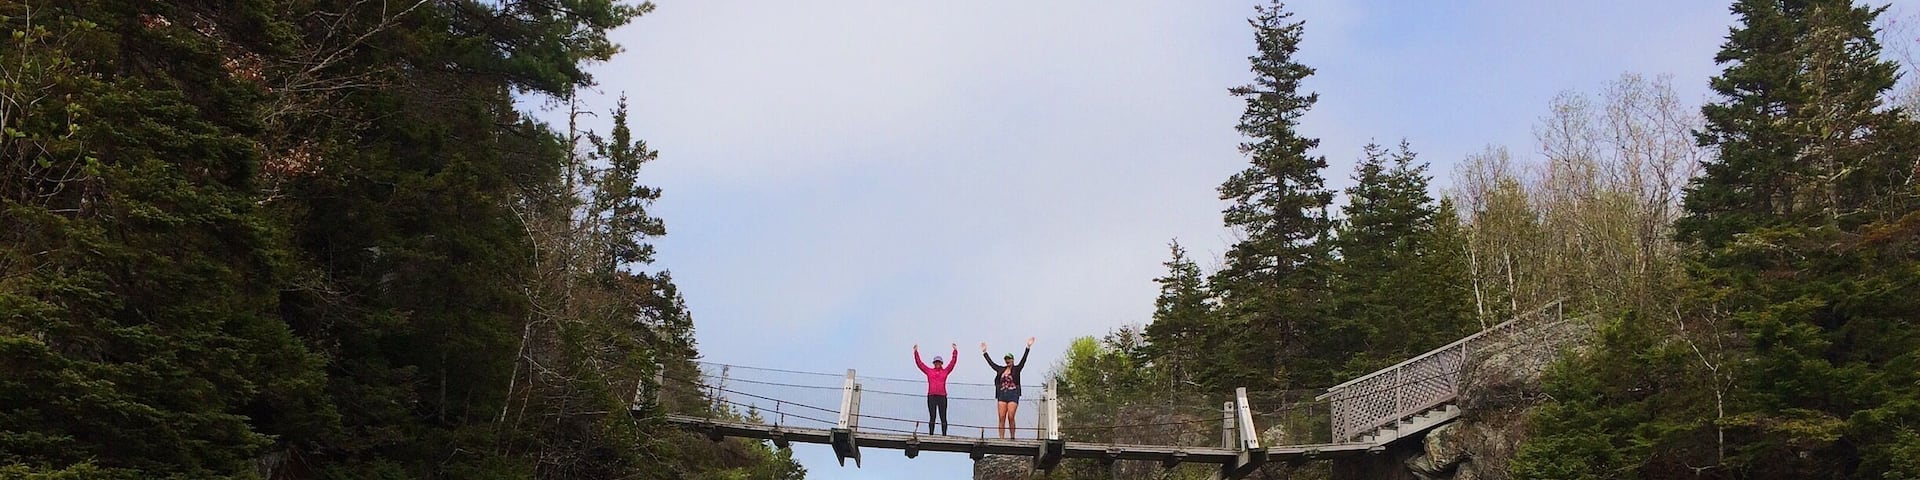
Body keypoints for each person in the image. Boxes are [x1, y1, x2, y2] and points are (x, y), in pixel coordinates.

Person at [981, 337, 1033, 439]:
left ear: (1013, 360)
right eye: (1006, 359)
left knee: (1011, 416)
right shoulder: (1001, 369)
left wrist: (1028, 347)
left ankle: (1012, 437)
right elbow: (992, 364)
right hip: (1002, 394)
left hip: (1013, 393)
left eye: (1009, 359)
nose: (1007, 360)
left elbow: (1024, 360)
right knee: (1001, 417)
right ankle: (1001, 438)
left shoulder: (1017, 369)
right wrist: (985, 353)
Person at [913, 343, 958, 435]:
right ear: (934, 363)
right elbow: (920, 364)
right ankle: (931, 434)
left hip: (942, 396)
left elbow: (952, 363)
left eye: (939, 362)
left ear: (941, 363)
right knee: (932, 416)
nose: (937, 363)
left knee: (943, 416)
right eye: (936, 362)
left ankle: (944, 435)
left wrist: (955, 351)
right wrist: (915, 352)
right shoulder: (929, 371)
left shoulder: (945, 371)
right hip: (931, 396)